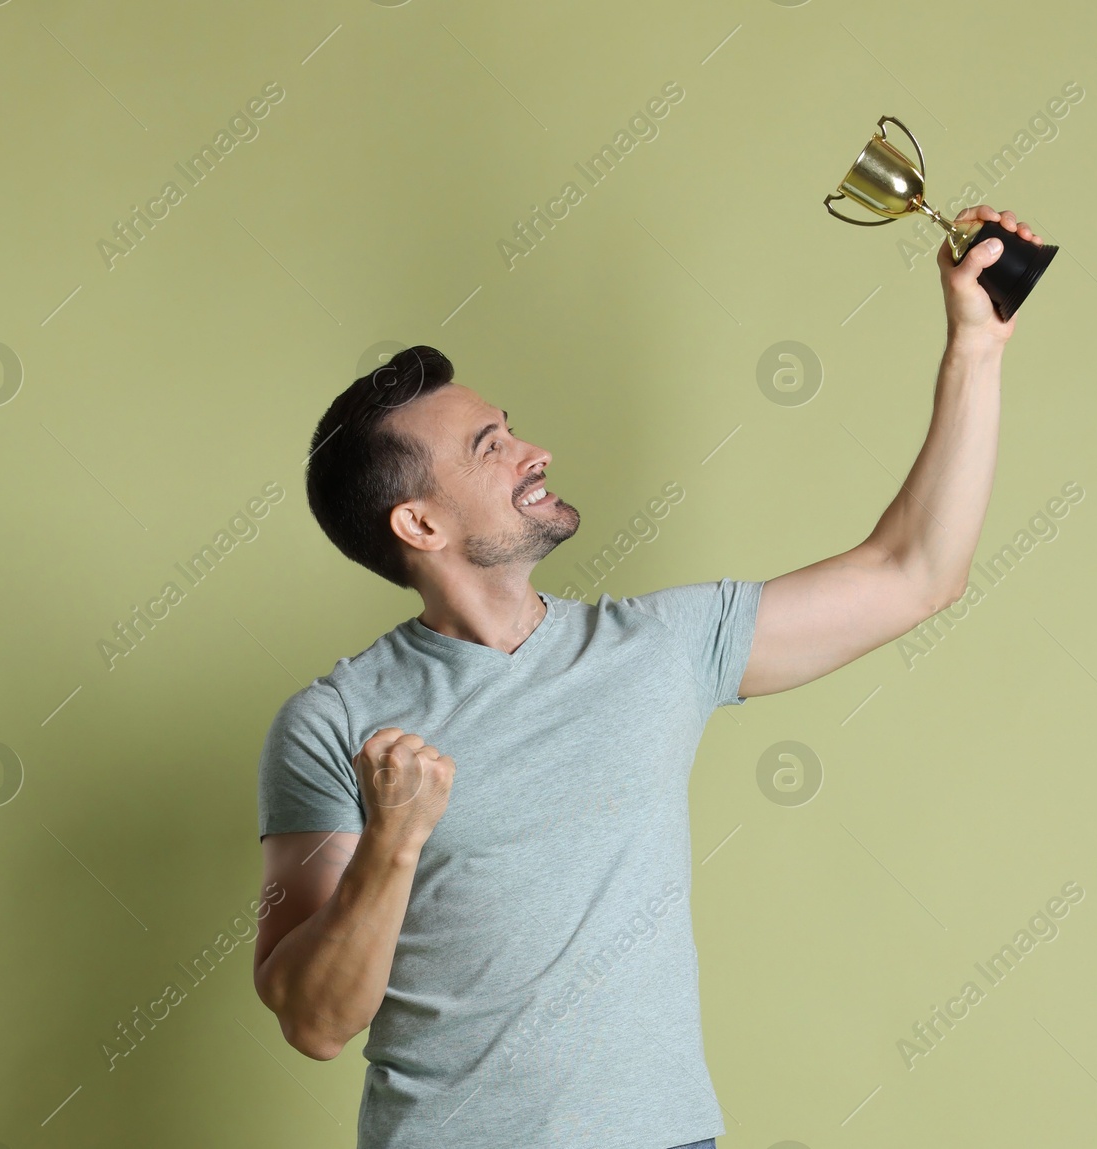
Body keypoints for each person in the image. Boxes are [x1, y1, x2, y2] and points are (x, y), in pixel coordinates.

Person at [252, 205, 1043, 1149]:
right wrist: (393, 841)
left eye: (508, 429)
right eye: (487, 447)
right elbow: (314, 1020)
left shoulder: (657, 647)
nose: (530, 451)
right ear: (419, 526)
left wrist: (976, 347)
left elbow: (915, 572)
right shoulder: (334, 720)